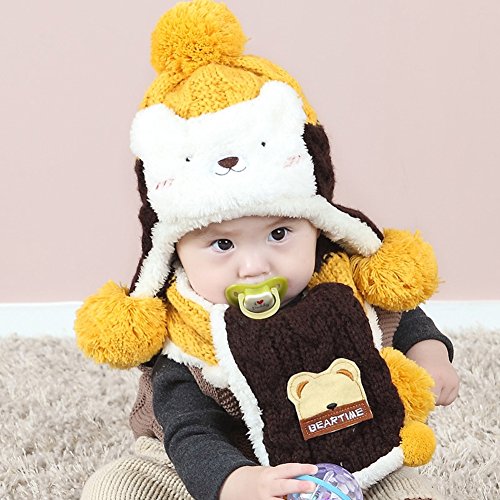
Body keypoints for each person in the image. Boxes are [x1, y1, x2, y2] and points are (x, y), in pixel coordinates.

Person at [75, 1, 459, 499]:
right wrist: (237, 481)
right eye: (221, 244)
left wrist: (430, 355)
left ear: (317, 226)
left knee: (412, 492)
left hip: (345, 450)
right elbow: (191, 432)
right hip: (222, 460)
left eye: (280, 235)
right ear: (175, 252)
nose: (255, 266)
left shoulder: (337, 280)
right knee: (117, 486)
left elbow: (402, 318)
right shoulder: (186, 333)